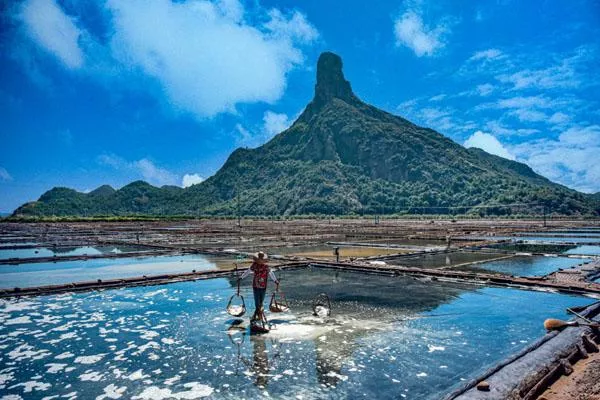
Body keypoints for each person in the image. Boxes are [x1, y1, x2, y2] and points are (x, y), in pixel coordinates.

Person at [240, 251, 279, 321]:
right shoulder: (254, 265)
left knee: (260, 302)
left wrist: (275, 281)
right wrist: (241, 277)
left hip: (263, 287)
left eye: (261, 260)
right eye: (259, 260)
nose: (260, 262)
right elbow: (248, 272)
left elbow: (271, 274)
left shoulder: (266, 267)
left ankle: (258, 315)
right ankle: (258, 316)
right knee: (257, 303)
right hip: (256, 287)